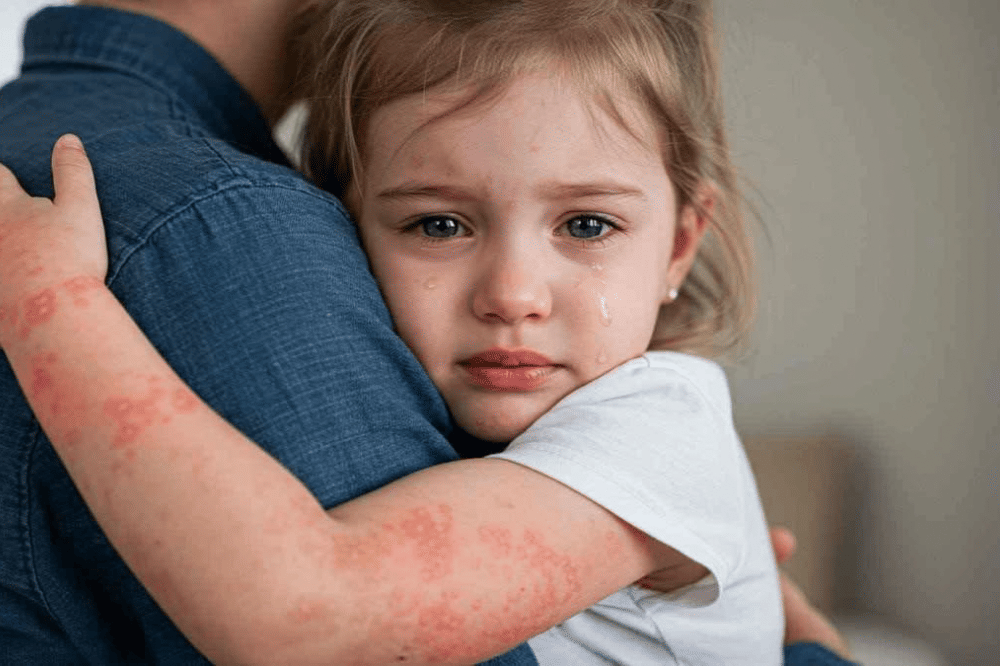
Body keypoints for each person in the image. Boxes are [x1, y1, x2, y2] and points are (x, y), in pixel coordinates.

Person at [0, 1, 861, 664]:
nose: (513, 294)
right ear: (346, 228)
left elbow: (309, 620)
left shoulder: (658, 433)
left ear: (679, 244)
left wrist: (51, 305)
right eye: (439, 226)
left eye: (588, 226)